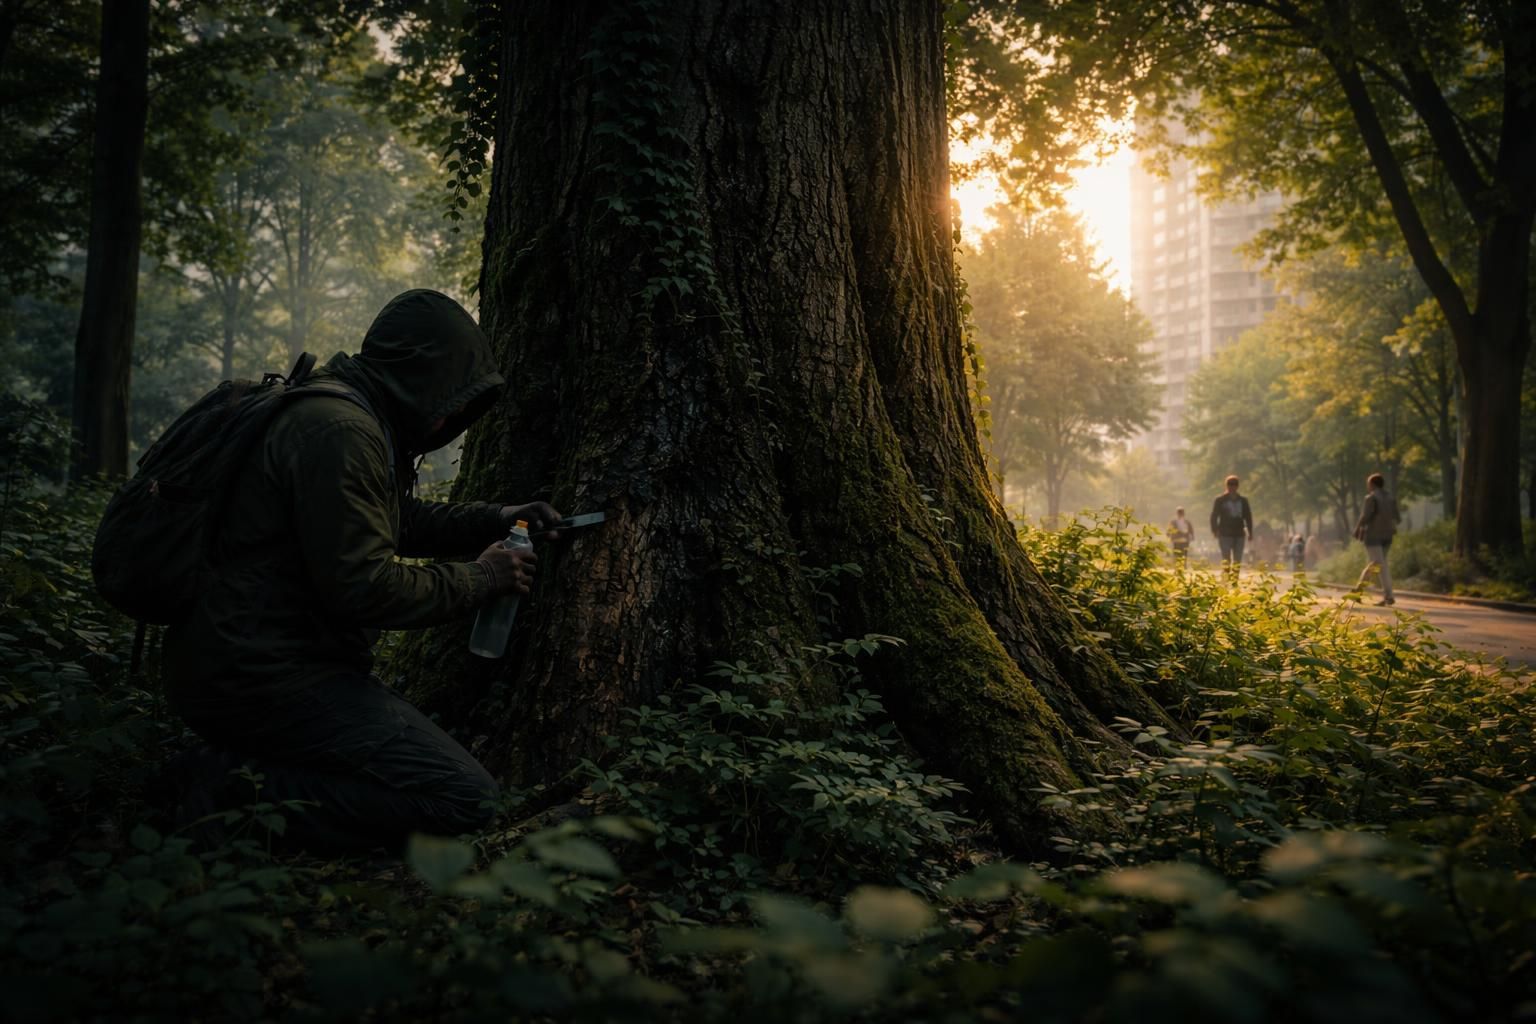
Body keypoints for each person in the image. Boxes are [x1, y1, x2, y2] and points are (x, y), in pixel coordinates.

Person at [162, 289, 563, 854]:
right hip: (262, 676)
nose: (448, 417)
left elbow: (391, 519)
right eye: (448, 398)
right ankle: (221, 792)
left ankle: (238, 776)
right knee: (465, 802)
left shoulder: (341, 413)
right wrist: (483, 578)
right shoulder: (342, 431)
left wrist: (496, 518)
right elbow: (366, 586)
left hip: (247, 659)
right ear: (417, 379)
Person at [1353, 471, 1400, 605]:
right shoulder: (1391, 498)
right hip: (1388, 535)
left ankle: (1385, 595)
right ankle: (1383, 595)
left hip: (1373, 536)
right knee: (1378, 564)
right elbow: (1397, 517)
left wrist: (1357, 529)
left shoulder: (1371, 498)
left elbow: (1365, 517)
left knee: (1378, 564)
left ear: (1372, 484)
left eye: (1368, 484)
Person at [1209, 475, 1253, 578]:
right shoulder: (1220, 500)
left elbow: (1248, 517)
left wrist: (1250, 532)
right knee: (1226, 558)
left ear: (1237, 486)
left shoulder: (1243, 501)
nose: (1232, 486)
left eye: (1234, 484)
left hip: (1239, 533)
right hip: (1225, 533)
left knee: (1237, 559)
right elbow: (1214, 516)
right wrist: (1214, 530)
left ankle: (1234, 579)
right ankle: (1226, 577)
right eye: (1230, 484)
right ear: (1226, 485)